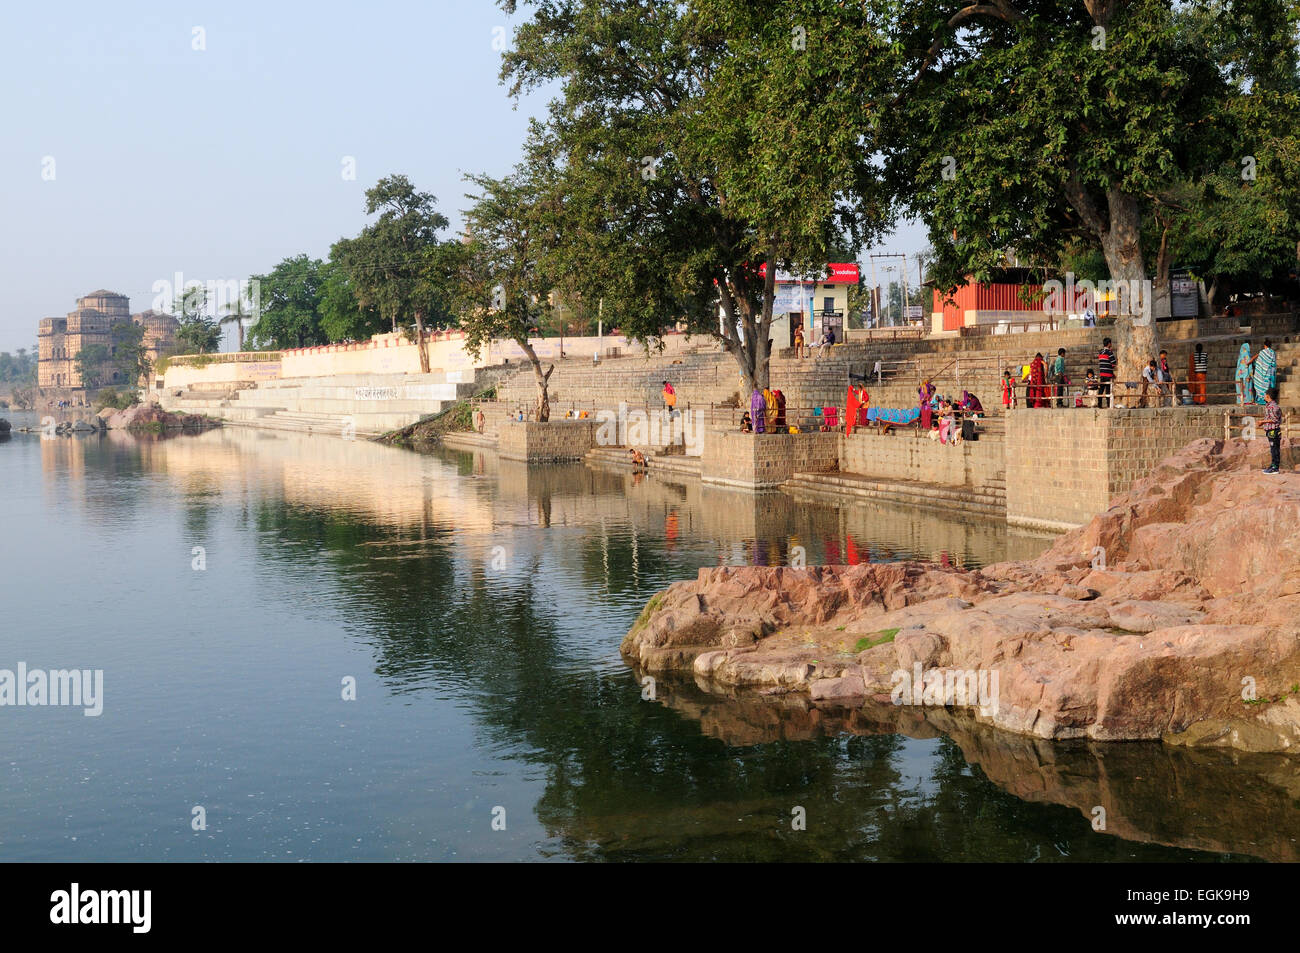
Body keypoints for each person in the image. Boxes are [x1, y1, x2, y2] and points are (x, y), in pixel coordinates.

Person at [1262, 386, 1282, 474]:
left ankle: (1275, 467)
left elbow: (1274, 420)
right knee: (1273, 449)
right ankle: (1273, 465)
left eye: (1265, 395)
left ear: (1268, 396)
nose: (1264, 396)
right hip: (1271, 431)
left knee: (1274, 449)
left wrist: (1262, 422)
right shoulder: (1270, 405)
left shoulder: (1273, 407)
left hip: (1273, 431)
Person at [1253, 339, 1277, 406]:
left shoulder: (1262, 352)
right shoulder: (1273, 352)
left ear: (1265, 345)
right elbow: (1274, 363)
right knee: (1269, 387)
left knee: (1261, 386)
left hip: (1263, 373)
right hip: (1271, 373)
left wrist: (1253, 363)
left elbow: (1259, 363)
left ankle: (1262, 400)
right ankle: (1270, 400)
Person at [1097, 337, 1116, 408]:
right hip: (1108, 374)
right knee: (1108, 390)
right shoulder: (1109, 352)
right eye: (1110, 343)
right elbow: (1113, 363)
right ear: (1109, 344)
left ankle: (1099, 404)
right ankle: (1109, 405)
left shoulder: (1100, 352)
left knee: (1101, 390)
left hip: (1102, 374)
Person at [1235, 339, 1254, 404]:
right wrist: (1255, 357)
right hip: (1245, 374)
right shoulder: (1246, 353)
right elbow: (1248, 362)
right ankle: (1247, 401)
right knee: (1246, 387)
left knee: (1241, 388)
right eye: (1250, 346)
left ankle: (1241, 401)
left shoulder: (1241, 353)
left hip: (1239, 374)